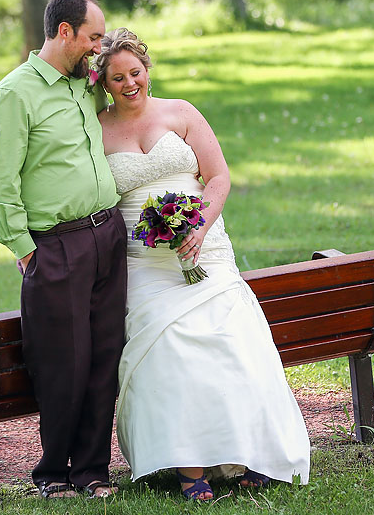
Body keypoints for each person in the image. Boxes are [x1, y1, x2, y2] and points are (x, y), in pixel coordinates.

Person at [94, 28, 311, 501]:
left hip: (205, 248)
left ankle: (251, 454)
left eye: (136, 72)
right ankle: (191, 469)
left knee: (233, 342)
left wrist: (198, 226)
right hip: (144, 264)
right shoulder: (97, 127)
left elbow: (217, 178)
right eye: (117, 78)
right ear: (103, 83)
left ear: (148, 70)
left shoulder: (182, 112)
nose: (130, 83)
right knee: (170, 349)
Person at [0, 0, 127, 500]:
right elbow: (0, 186)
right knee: (64, 362)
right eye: (92, 37)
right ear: (64, 32)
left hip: (108, 237)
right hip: (56, 248)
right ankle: (53, 474)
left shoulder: (86, 86)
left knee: (104, 356)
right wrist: (27, 252)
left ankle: (92, 471)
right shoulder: (14, 95)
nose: (98, 46)